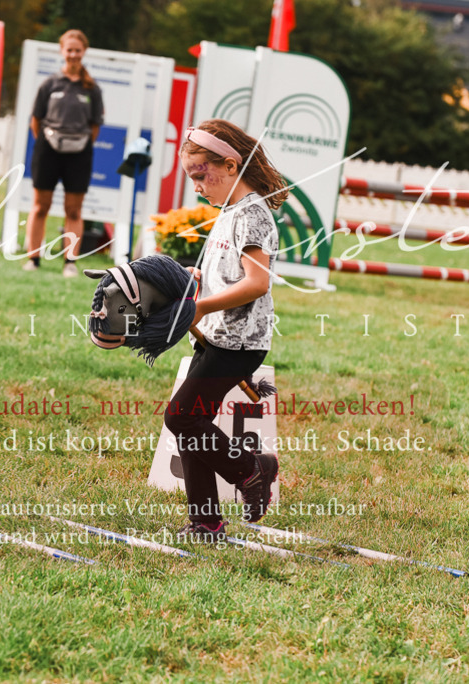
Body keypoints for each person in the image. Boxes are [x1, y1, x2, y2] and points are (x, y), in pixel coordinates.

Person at [164, 119, 289, 543]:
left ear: (232, 165)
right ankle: (207, 522)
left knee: (181, 416)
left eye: (201, 175)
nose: (197, 186)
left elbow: (257, 283)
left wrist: (198, 307)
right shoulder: (230, 212)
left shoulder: (253, 214)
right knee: (191, 421)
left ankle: (251, 468)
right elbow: (225, 273)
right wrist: (182, 279)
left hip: (240, 343)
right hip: (215, 335)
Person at [23, 29, 103, 278]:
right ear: (62, 51)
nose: (73, 54)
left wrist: (77, 145)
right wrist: (50, 143)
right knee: (40, 206)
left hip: (79, 153)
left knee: (73, 210)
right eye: (69, 50)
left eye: (77, 50)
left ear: (84, 52)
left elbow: (95, 126)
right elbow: (35, 120)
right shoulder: (49, 84)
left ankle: (70, 261)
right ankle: (33, 259)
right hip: (48, 150)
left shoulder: (92, 89)